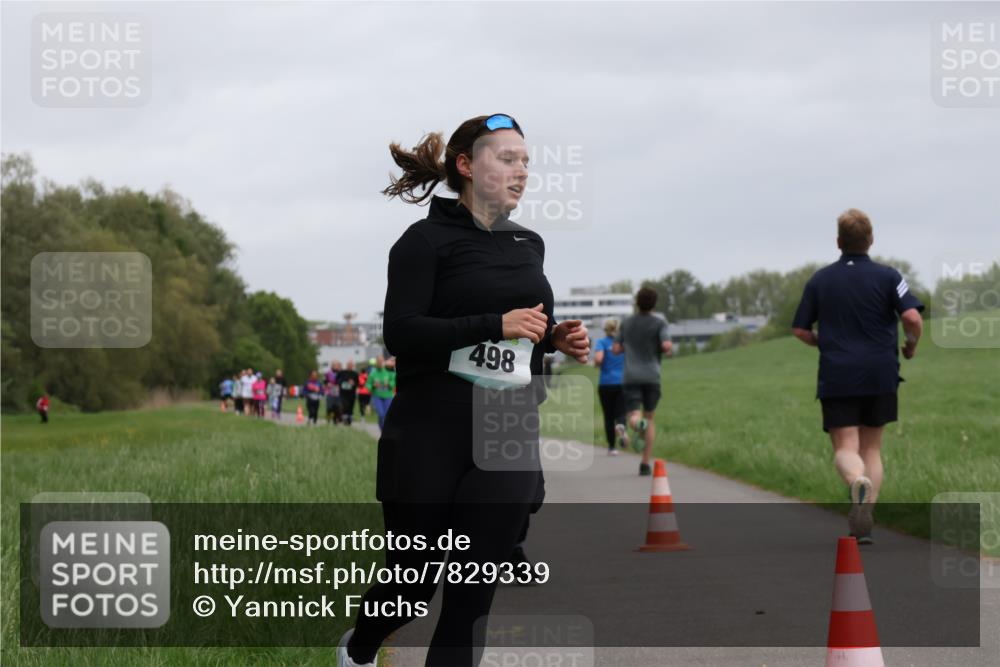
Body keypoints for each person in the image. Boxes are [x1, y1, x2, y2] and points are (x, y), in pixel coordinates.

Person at [337, 114, 589, 667]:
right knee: (412, 587)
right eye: (507, 158)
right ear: (467, 166)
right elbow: (401, 332)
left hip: (507, 429)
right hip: (430, 429)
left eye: (526, 161)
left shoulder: (529, 243)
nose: (522, 171)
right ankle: (357, 651)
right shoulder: (421, 242)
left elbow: (526, 328)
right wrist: (493, 325)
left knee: (471, 597)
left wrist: (555, 337)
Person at [791, 208, 924, 544]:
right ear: (871, 240)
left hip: (838, 373)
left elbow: (799, 329)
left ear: (839, 242)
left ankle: (855, 484)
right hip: (880, 371)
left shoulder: (820, 280)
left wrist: (823, 341)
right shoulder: (890, 276)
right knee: (872, 448)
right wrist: (911, 345)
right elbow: (911, 316)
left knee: (845, 446)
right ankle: (865, 515)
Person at [614, 287, 672, 476]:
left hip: (631, 376)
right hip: (652, 376)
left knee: (633, 415)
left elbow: (616, 348)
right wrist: (665, 348)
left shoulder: (627, 323)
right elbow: (666, 345)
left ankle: (636, 423)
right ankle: (645, 463)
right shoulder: (660, 323)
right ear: (654, 303)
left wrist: (626, 348)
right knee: (650, 419)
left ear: (637, 302)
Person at [594, 318, 628, 455]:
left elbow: (598, 359)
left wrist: (597, 365)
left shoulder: (601, 342)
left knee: (608, 416)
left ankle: (612, 447)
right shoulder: (623, 343)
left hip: (606, 383)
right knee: (621, 411)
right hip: (622, 382)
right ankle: (621, 425)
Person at [365, 356, 396, 431]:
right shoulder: (373, 373)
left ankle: (386, 430)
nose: (380, 363)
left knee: (387, 415)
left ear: (383, 362)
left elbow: (394, 381)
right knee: (381, 414)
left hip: (388, 396)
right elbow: (368, 384)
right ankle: (382, 430)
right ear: (376, 363)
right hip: (377, 396)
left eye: (381, 361)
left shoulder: (388, 371)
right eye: (378, 361)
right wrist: (373, 385)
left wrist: (388, 384)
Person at [338, 360, 360, 426]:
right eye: (348, 364)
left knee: (350, 406)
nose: (350, 366)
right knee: (345, 405)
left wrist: (353, 383)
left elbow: (358, 383)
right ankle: (345, 419)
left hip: (352, 393)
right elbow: (338, 380)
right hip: (343, 393)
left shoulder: (355, 374)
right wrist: (344, 382)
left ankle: (349, 420)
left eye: (351, 365)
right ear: (347, 365)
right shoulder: (342, 372)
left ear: (353, 366)